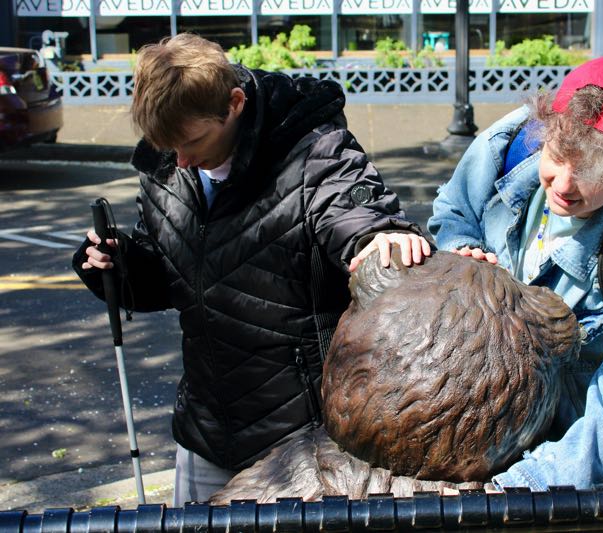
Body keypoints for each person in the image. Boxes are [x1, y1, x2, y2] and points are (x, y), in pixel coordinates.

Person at [72, 33, 429, 505]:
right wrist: (115, 267)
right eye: (167, 147)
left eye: (192, 142)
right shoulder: (171, 159)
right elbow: (172, 276)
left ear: (234, 103)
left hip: (303, 436)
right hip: (207, 426)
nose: (181, 161)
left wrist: (380, 237)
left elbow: (353, 213)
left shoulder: (313, 150)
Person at [425, 55, 603, 490]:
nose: (562, 184)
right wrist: (463, 250)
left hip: (573, 454)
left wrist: (525, 487)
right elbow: (454, 207)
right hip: (481, 412)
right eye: (557, 156)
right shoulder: (511, 141)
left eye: (590, 171)